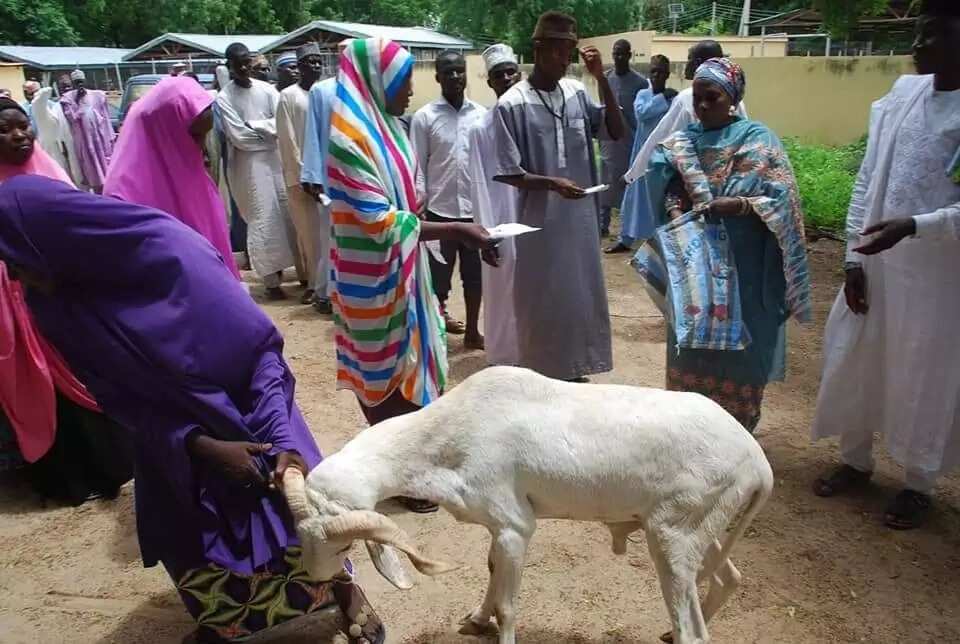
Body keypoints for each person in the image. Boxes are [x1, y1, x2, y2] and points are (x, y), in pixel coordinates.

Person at [0, 175, 386, 643]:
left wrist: (280, 440)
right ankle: (225, 622)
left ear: (53, 234)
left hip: (257, 415)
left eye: (15, 259)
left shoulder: (171, 253)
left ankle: (344, 592)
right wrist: (197, 445)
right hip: (170, 435)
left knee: (298, 514)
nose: (15, 277)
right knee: (190, 535)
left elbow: (259, 353)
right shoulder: (54, 304)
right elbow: (116, 398)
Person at [327, 38, 495, 510]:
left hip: (404, 268)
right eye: (401, 82)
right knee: (381, 368)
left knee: (416, 359)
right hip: (370, 276)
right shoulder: (349, 139)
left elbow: (411, 195)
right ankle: (400, 471)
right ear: (376, 82)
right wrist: (455, 228)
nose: (408, 91)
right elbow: (377, 219)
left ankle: (414, 464)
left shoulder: (389, 128)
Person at [810, 1, 960, 531]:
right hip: (876, 262)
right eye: (919, 31)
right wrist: (853, 255)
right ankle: (856, 460)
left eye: (936, 32)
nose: (919, 43)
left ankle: (918, 483)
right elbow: (869, 177)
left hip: (938, 279)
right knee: (856, 354)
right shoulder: (902, 96)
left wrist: (915, 225)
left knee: (925, 370)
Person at [637, 58, 811, 434]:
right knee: (692, 355)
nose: (701, 107)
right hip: (696, 270)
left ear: (732, 98)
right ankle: (689, 439)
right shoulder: (683, 143)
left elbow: (783, 201)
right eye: (697, 98)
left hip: (747, 270)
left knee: (742, 359)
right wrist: (674, 205)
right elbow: (667, 187)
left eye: (711, 98)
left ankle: (737, 441)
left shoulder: (759, 139)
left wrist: (741, 205)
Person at [0, 99, 133, 505]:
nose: (19, 135)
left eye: (23, 126)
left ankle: (111, 468)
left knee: (85, 374)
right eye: (5, 130)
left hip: (61, 296)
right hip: (11, 308)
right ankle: (66, 478)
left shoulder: (50, 172)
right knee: (36, 386)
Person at [491, 11, 622, 382]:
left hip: (579, 226)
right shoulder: (512, 104)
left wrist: (601, 79)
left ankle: (577, 374)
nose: (564, 59)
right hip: (539, 229)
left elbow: (615, 129)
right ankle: (541, 379)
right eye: (557, 50)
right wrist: (553, 184)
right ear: (538, 49)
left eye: (570, 51)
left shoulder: (578, 92)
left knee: (580, 298)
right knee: (542, 301)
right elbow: (509, 171)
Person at [102, 77, 240, 280]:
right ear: (166, 130)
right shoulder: (123, 197)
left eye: (204, 136)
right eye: (194, 136)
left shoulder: (190, 172)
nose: (201, 147)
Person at [410, 50, 487, 349]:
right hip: (438, 214)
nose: (455, 77)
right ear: (437, 77)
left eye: (459, 71)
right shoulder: (425, 117)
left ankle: (472, 331)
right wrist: (420, 209)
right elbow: (417, 165)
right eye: (448, 72)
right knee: (438, 282)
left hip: (474, 211)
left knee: (475, 278)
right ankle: (436, 333)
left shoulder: (481, 116)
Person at [217, 43, 298, 300]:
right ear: (229, 65)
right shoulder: (224, 98)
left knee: (287, 214)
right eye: (237, 63)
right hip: (249, 168)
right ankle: (271, 281)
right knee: (262, 219)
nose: (243, 67)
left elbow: (283, 124)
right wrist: (269, 133)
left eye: (246, 62)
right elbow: (240, 138)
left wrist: (258, 127)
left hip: (277, 163)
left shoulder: (267, 90)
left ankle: (296, 272)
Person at [623, 41, 747, 202]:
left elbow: (662, 140)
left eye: (689, 59)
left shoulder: (686, 97)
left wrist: (632, 174)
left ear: (697, 63)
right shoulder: (734, 98)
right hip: (730, 188)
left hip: (695, 188)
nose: (703, 106)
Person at [467, 44, 523, 366]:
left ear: (520, 74)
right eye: (497, 75)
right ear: (490, 83)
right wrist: (486, 234)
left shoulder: (535, 119)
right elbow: (478, 184)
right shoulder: (481, 129)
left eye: (510, 72)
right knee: (503, 290)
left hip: (536, 217)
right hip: (501, 220)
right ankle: (503, 360)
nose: (505, 78)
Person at [301, 41, 351, 315]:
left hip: (361, 176)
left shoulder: (366, 91)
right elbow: (312, 135)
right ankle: (327, 293)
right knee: (330, 237)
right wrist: (312, 175)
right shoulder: (322, 91)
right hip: (331, 179)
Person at [606, 54, 676, 254]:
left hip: (662, 158)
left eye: (661, 72)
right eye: (653, 71)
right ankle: (626, 239)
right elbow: (643, 113)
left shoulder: (675, 99)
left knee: (659, 199)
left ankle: (659, 242)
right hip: (642, 154)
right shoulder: (644, 95)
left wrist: (668, 98)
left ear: (668, 74)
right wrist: (662, 97)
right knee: (633, 197)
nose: (657, 75)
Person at [277, 44, 328, 307]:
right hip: (301, 178)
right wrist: (306, 174)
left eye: (319, 62)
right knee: (307, 233)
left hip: (325, 179)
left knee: (326, 233)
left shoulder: (326, 93)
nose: (316, 67)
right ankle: (310, 282)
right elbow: (288, 138)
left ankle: (327, 284)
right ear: (300, 67)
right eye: (310, 62)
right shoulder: (289, 96)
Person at [597, 39, 647, 238]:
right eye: (615, 53)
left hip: (630, 140)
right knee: (605, 180)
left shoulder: (641, 83)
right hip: (608, 139)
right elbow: (602, 107)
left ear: (629, 55)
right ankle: (602, 224)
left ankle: (627, 230)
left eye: (622, 54)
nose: (618, 58)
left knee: (627, 182)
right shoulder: (605, 78)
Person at [59, 69, 115, 193]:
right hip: (84, 141)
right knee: (91, 170)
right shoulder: (68, 99)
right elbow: (71, 118)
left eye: (81, 81)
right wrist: (79, 102)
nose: (80, 84)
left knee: (107, 167)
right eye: (77, 82)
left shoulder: (98, 95)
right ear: (73, 84)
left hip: (100, 138)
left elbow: (105, 118)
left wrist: (110, 138)